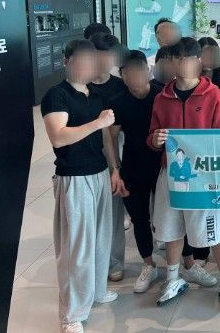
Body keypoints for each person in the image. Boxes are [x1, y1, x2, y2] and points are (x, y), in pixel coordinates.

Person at [147, 37, 220, 312]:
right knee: (171, 230)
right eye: (178, 59)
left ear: (199, 61)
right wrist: (156, 140)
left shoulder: (214, 96)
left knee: (216, 232)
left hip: (204, 178)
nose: (184, 64)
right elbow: (151, 137)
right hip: (171, 174)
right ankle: (173, 279)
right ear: (172, 62)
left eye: (189, 59)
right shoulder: (162, 98)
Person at [41, 39, 119, 333]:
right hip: (73, 177)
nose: (88, 66)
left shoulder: (95, 95)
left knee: (100, 239)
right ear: (67, 61)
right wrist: (97, 123)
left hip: (99, 173)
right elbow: (58, 137)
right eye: (82, 60)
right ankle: (71, 314)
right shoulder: (56, 96)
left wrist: (114, 169)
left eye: (91, 60)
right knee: (77, 247)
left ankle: (96, 291)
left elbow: (106, 138)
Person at [107, 50, 162, 294]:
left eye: (139, 70)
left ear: (148, 71)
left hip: (163, 166)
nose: (135, 76)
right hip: (133, 166)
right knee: (140, 218)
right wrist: (115, 169)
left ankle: (183, 263)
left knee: (169, 215)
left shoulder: (162, 94)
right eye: (128, 72)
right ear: (122, 75)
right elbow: (111, 136)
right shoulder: (118, 101)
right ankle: (148, 264)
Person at [87, 33, 127, 282]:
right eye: (100, 55)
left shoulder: (120, 86)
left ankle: (114, 262)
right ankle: (91, 262)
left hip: (115, 153)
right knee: (89, 215)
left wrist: (116, 167)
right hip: (86, 156)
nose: (105, 60)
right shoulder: (81, 85)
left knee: (113, 213)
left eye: (109, 55)